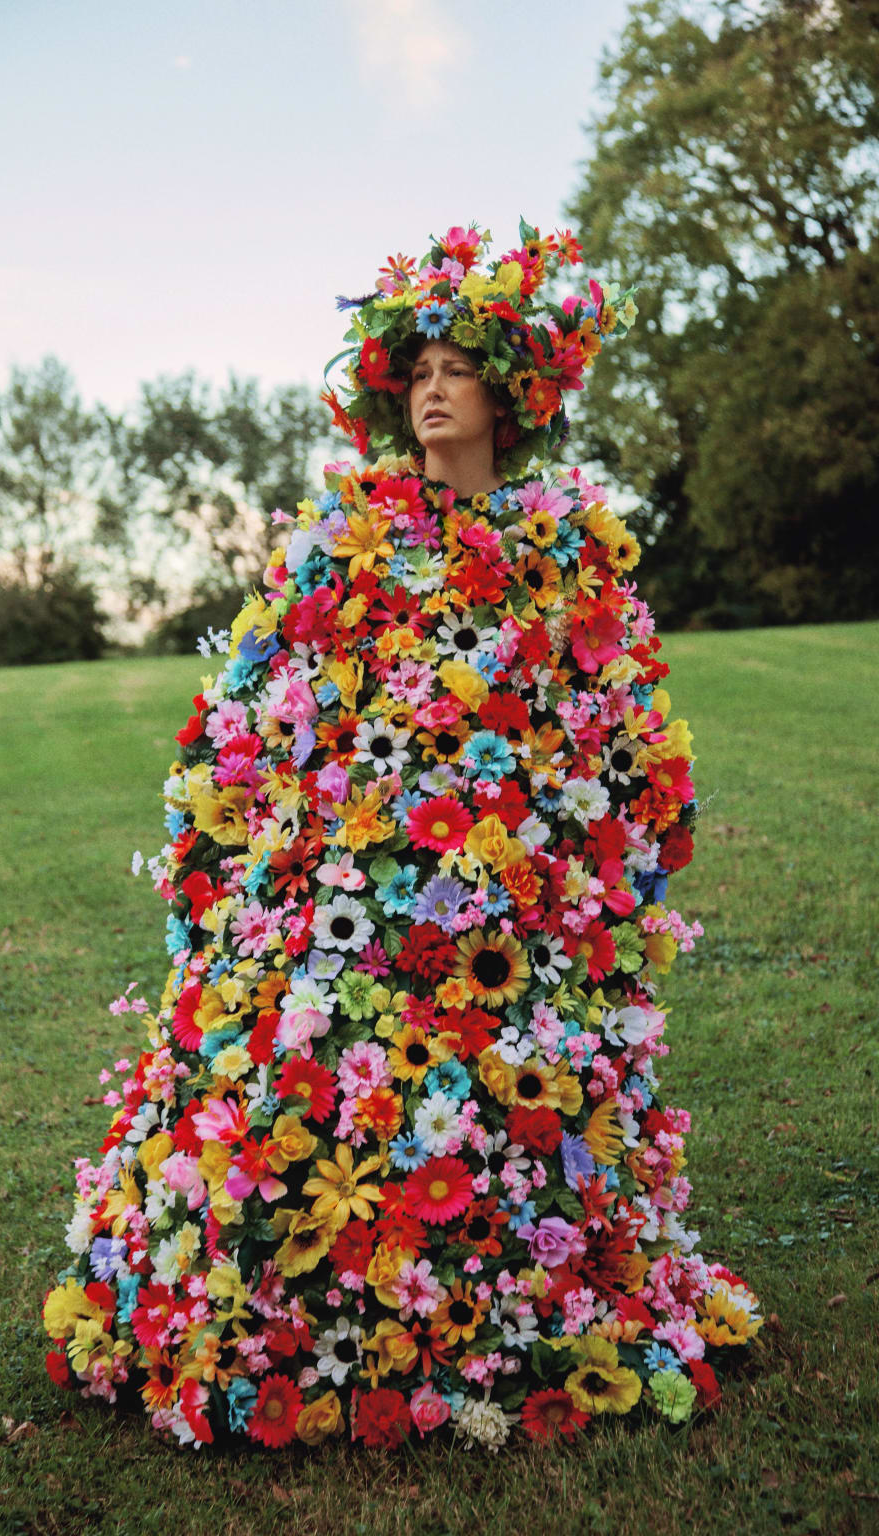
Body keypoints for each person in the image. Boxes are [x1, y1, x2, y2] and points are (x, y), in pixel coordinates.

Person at [43, 220, 762, 1452]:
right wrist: (256, 852)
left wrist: (572, 853)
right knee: (275, 1079)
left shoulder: (568, 548)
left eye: (456, 369)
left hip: (516, 906)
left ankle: (492, 1304)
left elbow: (624, 735)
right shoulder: (337, 541)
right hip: (348, 889)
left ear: (512, 392)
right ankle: (271, 1303)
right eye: (414, 372)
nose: (431, 389)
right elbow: (250, 709)